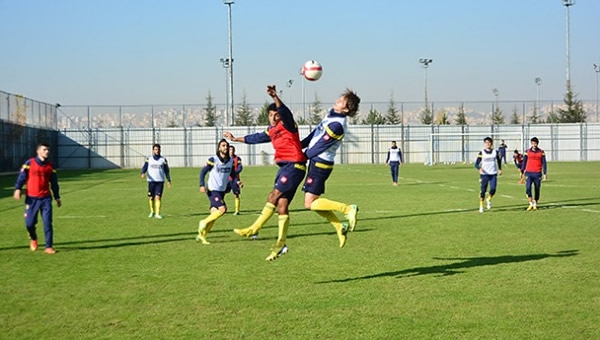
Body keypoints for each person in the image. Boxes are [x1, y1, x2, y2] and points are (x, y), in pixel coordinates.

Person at [225, 85, 307, 261]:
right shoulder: (271, 131)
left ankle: (254, 229)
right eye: (270, 115)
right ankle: (281, 245)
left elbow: (285, 112)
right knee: (281, 206)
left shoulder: (288, 125)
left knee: (273, 196)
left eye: (275, 114)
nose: (273, 117)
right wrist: (235, 139)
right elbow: (255, 138)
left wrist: (275, 97)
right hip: (285, 168)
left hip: (294, 165)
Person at [301, 88, 361, 248]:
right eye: (340, 98)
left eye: (342, 101)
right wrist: (300, 145)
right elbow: (315, 134)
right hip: (315, 161)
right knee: (313, 202)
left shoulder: (337, 126)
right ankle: (339, 227)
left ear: (346, 109)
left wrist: (302, 156)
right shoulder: (331, 115)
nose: (338, 101)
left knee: (309, 204)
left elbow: (320, 145)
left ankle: (348, 209)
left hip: (320, 164)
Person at [13, 143, 62, 254]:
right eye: (44, 150)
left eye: (48, 150)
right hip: (32, 198)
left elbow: (54, 183)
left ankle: (48, 246)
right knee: (30, 223)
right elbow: (22, 177)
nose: (47, 152)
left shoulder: (50, 166)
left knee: (47, 222)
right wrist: (18, 188)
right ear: (38, 151)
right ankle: (33, 238)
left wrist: (57, 197)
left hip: (46, 199)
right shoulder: (29, 163)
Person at [196, 139, 237, 245]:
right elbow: (203, 172)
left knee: (214, 214)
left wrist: (238, 182)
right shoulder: (213, 159)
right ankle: (203, 222)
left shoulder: (231, 161)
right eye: (223, 145)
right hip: (212, 189)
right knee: (223, 209)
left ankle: (202, 236)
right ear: (219, 148)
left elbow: (233, 175)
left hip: (221, 190)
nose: (225, 147)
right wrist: (201, 184)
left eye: (226, 146)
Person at [141, 143, 172, 219]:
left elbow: (166, 171)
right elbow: (145, 167)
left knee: (158, 197)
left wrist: (168, 180)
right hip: (151, 181)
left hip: (160, 181)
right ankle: (152, 211)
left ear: (160, 150)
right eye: (155, 149)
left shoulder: (163, 160)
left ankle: (157, 214)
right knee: (151, 197)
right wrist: (142, 173)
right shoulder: (149, 159)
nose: (157, 151)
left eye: (158, 149)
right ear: (153, 150)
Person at [474, 137, 502, 213]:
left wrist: (500, 169)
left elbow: (499, 160)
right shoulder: (481, 152)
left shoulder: (495, 152)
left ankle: (489, 199)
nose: (488, 144)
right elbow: (476, 164)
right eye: (486, 143)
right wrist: (479, 169)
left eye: (489, 142)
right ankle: (481, 206)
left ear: (491, 143)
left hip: (493, 173)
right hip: (484, 174)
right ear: (484, 144)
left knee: (493, 189)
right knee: (483, 190)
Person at [521, 137, 548, 211]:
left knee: (537, 189)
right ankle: (530, 203)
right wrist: (522, 171)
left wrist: (545, 173)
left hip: (537, 173)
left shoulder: (541, 152)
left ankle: (535, 203)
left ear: (537, 143)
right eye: (533, 143)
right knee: (528, 188)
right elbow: (524, 162)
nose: (534, 145)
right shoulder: (527, 151)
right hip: (529, 173)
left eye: (535, 143)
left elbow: (544, 163)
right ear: (531, 143)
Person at [228, 145, 243, 215]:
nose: (231, 151)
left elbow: (240, 168)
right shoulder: (224, 158)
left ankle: (237, 210)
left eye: (233, 150)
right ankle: (220, 207)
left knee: (236, 194)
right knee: (221, 193)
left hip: (235, 179)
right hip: (226, 179)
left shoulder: (237, 158)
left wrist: (234, 174)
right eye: (230, 150)